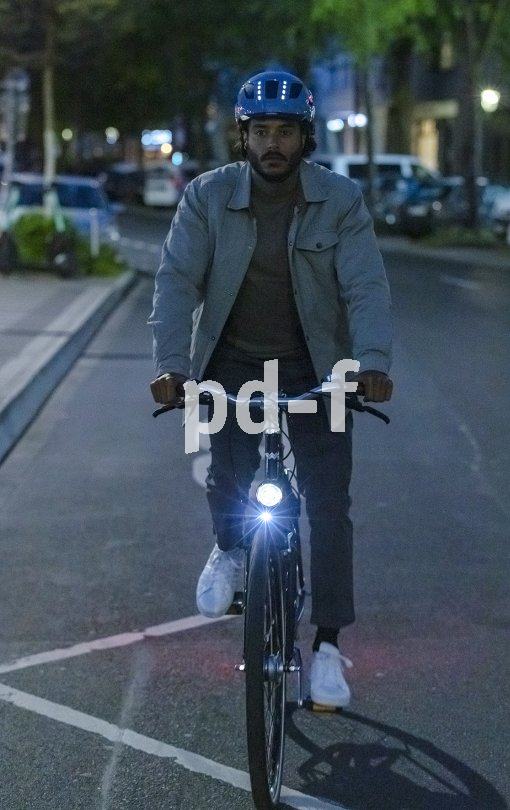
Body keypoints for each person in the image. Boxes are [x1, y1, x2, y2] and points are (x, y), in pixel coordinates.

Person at [149, 69, 393, 709]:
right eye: (261, 131)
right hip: (231, 362)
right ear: (245, 136)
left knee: (328, 504)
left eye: (286, 131)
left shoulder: (340, 200)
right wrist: (173, 366)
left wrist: (370, 362)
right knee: (224, 470)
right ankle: (231, 548)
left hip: (320, 368)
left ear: (305, 137)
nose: (273, 143)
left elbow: (364, 285)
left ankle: (329, 647)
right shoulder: (207, 196)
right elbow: (177, 282)